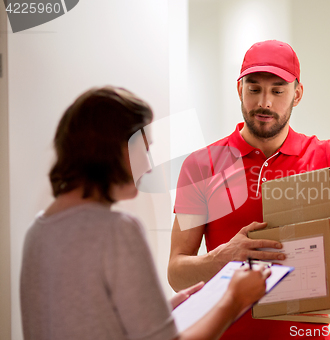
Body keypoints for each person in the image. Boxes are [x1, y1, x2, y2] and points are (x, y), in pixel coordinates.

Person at [20, 86, 271, 340]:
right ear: (116, 148)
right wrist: (233, 301)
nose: (149, 166)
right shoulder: (118, 230)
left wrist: (159, 317)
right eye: (146, 149)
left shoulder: (38, 230)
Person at [168, 40, 330, 340]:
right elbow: (176, 273)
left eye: (278, 90)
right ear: (239, 89)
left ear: (297, 94)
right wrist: (221, 258)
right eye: (254, 88)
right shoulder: (202, 166)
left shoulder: (329, 160)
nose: (264, 103)